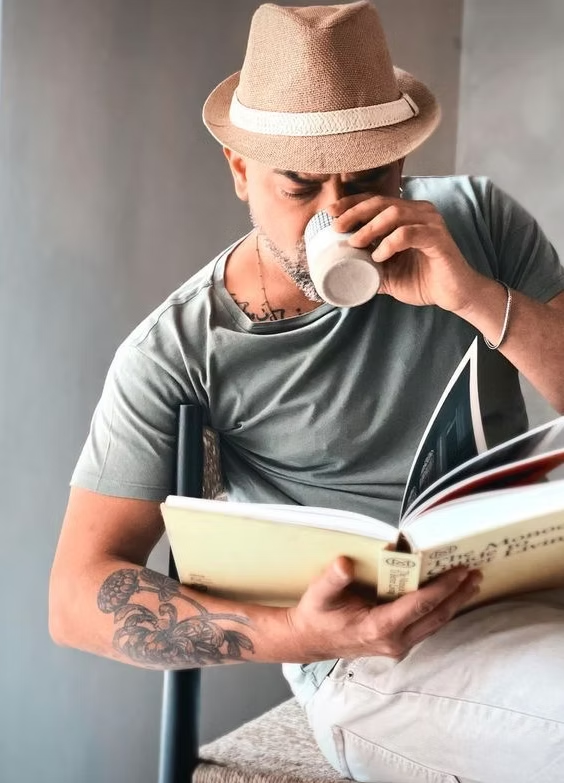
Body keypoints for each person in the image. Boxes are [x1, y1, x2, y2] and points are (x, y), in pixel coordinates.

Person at [49, 2, 564, 781]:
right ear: (239, 170)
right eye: (299, 186)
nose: (336, 215)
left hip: (529, 584)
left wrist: (473, 298)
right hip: (374, 661)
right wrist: (307, 632)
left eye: (366, 180)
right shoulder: (182, 350)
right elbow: (76, 596)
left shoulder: (475, 223)